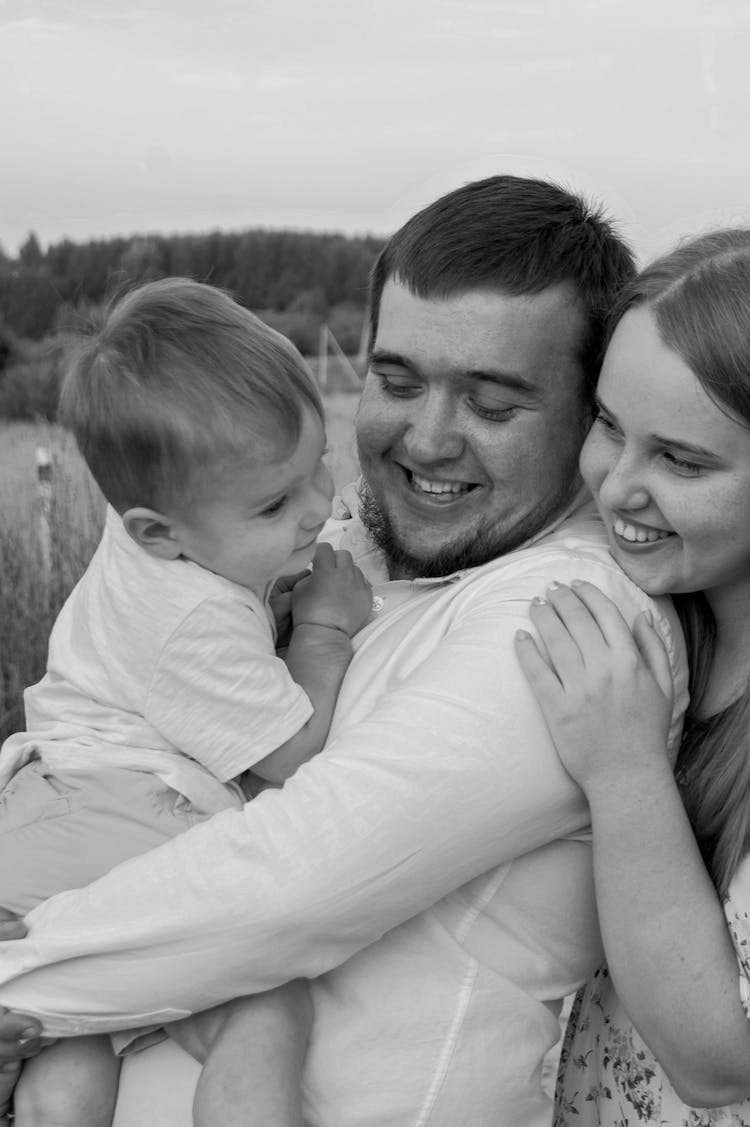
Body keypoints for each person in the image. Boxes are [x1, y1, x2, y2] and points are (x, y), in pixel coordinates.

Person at [0, 175, 690, 1127]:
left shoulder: (570, 617)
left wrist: (16, 975)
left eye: (493, 404)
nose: (428, 438)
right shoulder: (363, 540)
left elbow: (291, 880)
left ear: (592, 415)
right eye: (396, 381)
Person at [0, 277, 372, 1127]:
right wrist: (322, 629)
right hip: (119, 806)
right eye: (277, 503)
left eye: (317, 464)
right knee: (267, 1000)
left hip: (59, 800)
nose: (320, 506)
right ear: (156, 532)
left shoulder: (177, 519)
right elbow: (291, 752)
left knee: (70, 1043)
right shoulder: (191, 616)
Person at [514, 229, 750, 1124]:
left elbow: (721, 1058)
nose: (616, 489)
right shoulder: (671, 609)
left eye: (682, 460)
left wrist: (623, 768)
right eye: (609, 425)